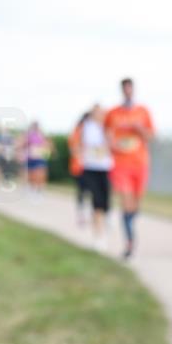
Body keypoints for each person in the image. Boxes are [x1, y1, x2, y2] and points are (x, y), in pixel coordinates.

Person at [104, 77, 155, 260]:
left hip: (140, 163)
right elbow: (106, 135)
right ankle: (129, 242)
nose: (127, 91)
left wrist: (139, 129)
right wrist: (112, 143)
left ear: (133, 90)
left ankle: (130, 224)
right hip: (120, 164)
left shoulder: (143, 111)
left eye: (130, 88)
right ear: (121, 90)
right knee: (125, 201)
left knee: (136, 204)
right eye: (124, 89)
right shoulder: (112, 113)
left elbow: (150, 136)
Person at [76, 104, 114, 251]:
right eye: (97, 113)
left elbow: (112, 145)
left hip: (105, 168)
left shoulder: (107, 127)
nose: (100, 115)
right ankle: (99, 236)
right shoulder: (85, 127)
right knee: (96, 202)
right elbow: (78, 144)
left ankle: (107, 219)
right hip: (90, 168)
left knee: (105, 201)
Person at [68, 113, 89, 227]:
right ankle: (81, 214)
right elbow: (73, 149)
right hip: (79, 167)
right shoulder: (77, 131)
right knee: (82, 191)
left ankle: (87, 213)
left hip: (91, 166)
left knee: (89, 191)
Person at [22, 121, 51, 192]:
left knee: (40, 172)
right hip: (30, 156)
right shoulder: (29, 135)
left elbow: (47, 144)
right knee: (31, 173)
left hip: (40, 156)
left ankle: (39, 187)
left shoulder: (42, 135)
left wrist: (46, 149)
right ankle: (32, 186)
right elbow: (24, 144)